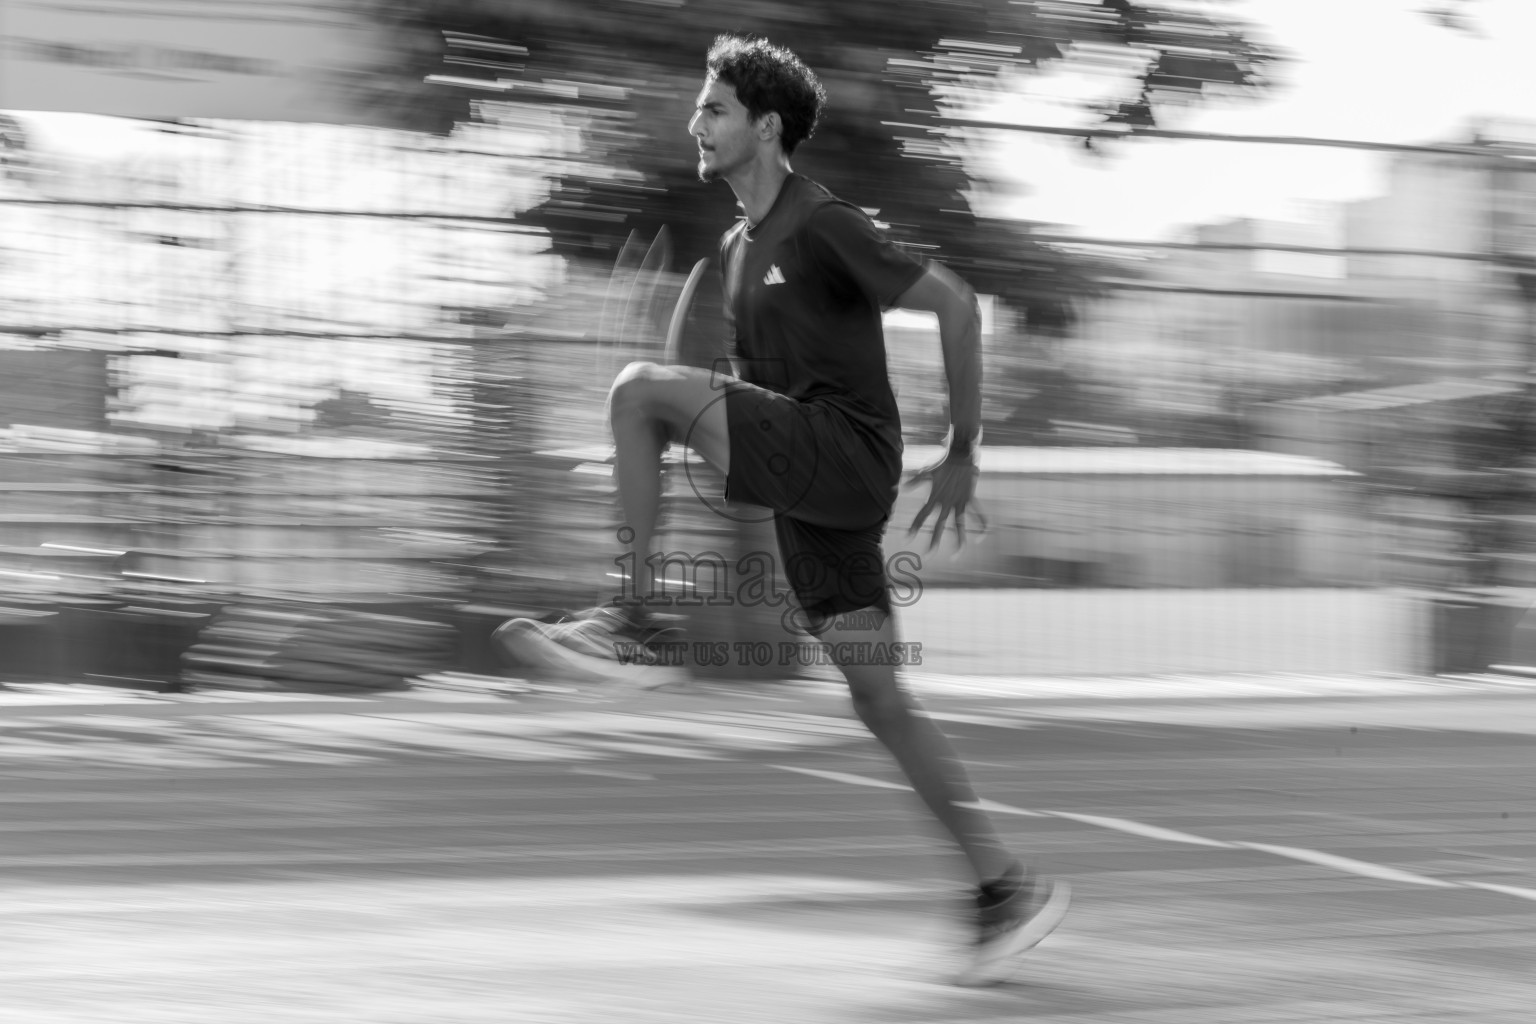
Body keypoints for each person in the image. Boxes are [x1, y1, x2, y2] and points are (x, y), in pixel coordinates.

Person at [498, 33, 1068, 985]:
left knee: (638, 389)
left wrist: (964, 449)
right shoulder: (731, 250)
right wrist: (661, 414)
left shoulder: (824, 223)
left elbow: (959, 305)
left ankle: (636, 619)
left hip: (843, 454)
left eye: (714, 108)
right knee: (880, 697)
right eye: (699, 107)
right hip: (817, 488)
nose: (696, 121)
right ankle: (1003, 886)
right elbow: (734, 398)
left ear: (765, 129)